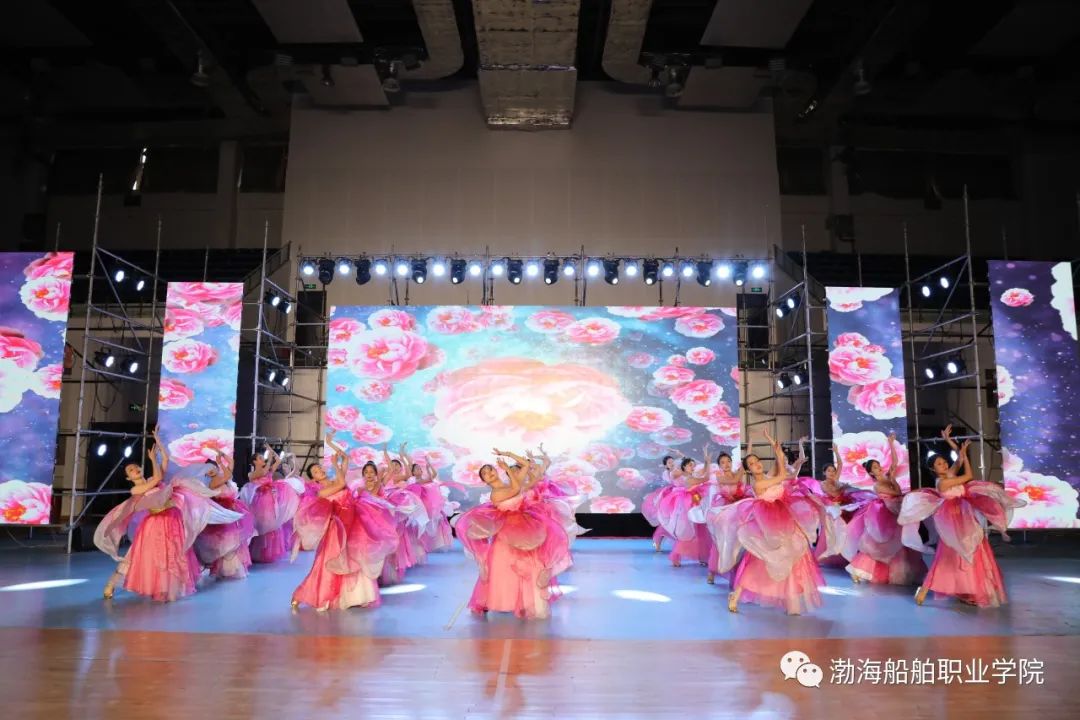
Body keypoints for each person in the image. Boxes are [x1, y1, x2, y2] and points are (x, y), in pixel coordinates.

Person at [95, 428, 242, 601]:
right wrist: (152, 460)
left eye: (136, 467)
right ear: (129, 478)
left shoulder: (151, 480)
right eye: (131, 470)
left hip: (171, 520)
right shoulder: (136, 489)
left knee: (172, 555)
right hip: (154, 525)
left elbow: (164, 461)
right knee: (141, 556)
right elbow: (158, 478)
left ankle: (167, 588)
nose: (135, 469)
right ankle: (111, 584)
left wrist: (157, 440)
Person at [708, 428, 843, 615]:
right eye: (751, 464)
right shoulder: (758, 484)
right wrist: (777, 454)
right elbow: (781, 476)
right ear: (748, 470)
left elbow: (782, 469)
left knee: (794, 555)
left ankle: (791, 600)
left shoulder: (768, 476)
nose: (756, 465)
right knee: (758, 561)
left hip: (785, 521)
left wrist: (775, 446)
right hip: (767, 527)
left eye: (757, 461)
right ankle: (736, 595)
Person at [899, 426, 1023, 607]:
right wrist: (962, 455)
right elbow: (968, 475)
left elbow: (958, 461)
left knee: (971, 552)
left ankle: (966, 589)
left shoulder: (949, 474)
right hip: (952, 522)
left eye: (944, 462)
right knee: (949, 556)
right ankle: (925, 589)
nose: (944, 465)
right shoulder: (943, 482)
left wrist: (955, 446)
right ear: (933, 469)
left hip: (965, 519)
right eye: (939, 464)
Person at [454, 448, 572, 619]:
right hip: (506, 537)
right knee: (506, 571)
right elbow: (516, 489)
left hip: (525, 532)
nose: (489, 473)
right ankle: (505, 602)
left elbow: (526, 465)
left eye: (490, 469)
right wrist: (508, 470)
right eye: (485, 473)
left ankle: (526, 603)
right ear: (484, 481)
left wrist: (508, 454)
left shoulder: (508, 484)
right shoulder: (496, 494)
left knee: (531, 567)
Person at [290, 432, 398, 611]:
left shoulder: (334, 479)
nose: (320, 471)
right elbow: (341, 484)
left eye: (319, 468)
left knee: (354, 557)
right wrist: (335, 465)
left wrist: (331, 444)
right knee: (330, 561)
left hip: (352, 522)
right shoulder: (321, 492)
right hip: (337, 528)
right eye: (316, 471)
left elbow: (345, 459)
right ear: (314, 479)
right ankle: (305, 595)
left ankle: (354, 596)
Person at [843, 434, 926, 586]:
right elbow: (896, 492)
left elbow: (895, 462)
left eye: (878, 465)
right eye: (875, 467)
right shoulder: (877, 485)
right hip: (885, 513)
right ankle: (859, 570)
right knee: (880, 545)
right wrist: (893, 480)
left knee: (900, 541)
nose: (879, 468)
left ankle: (899, 572)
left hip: (896, 509)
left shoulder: (887, 476)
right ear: (871, 472)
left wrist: (891, 444)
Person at [193, 451, 256, 579]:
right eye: (207, 470)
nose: (211, 471)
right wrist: (220, 463)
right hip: (224, 514)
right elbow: (228, 475)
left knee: (234, 542)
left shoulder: (222, 477)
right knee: (227, 542)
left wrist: (221, 456)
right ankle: (227, 570)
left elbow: (231, 464)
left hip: (232, 511)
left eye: (212, 467)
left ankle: (233, 569)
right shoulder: (213, 482)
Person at [813, 444, 874, 566]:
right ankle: (831, 554)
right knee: (836, 532)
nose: (832, 472)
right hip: (832, 510)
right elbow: (834, 493)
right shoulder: (823, 484)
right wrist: (843, 488)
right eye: (829, 471)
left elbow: (840, 465)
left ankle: (847, 553)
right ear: (824, 473)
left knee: (848, 528)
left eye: (833, 470)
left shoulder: (836, 480)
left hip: (842, 507)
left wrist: (836, 452)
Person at [241, 446, 302, 564]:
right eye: (260, 458)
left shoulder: (268, 470)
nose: (262, 459)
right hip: (260, 502)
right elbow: (263, 472)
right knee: (261, 525)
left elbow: (278, 460)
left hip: (270, 499)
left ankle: (266, 552)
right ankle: (257, 552)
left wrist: (270, 450)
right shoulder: (252, 473)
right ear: (254, 462)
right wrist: (269, 459)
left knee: (271, 524)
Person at [656, 447, 714, 568]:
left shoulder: (690, 475)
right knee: (687, 532)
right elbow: (705, 477)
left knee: (700, 531)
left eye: (693, 465)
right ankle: (676, 556)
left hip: (695, 503)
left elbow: (702, 472)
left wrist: (706, 462)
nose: (693, 467)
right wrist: (707, 462)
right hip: (687, 505)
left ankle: (702, 556)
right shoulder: (685, 477)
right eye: (690, 465)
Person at [704, 451, 748, 585]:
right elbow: (734, 481)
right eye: (723, 462)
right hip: (723, 510)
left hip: (737, 509)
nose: (726, 464)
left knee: (737, 541)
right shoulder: (718, 476)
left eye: (728, 461)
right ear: (719, 466)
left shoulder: (737, 474)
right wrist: (743, 468)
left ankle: (736, 572)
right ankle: (712, 571)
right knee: (720, 541)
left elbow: (741, 488)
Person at [641, 456, 679, 552]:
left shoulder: (677, 470)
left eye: (672, 461)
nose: (672, 463)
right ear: (666, 465)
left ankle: (678, 545)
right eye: (669, 462)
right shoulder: (669, 473)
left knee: (675, 522)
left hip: (679, 494)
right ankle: (657, 542)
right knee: (667, 521)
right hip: (673, 496)